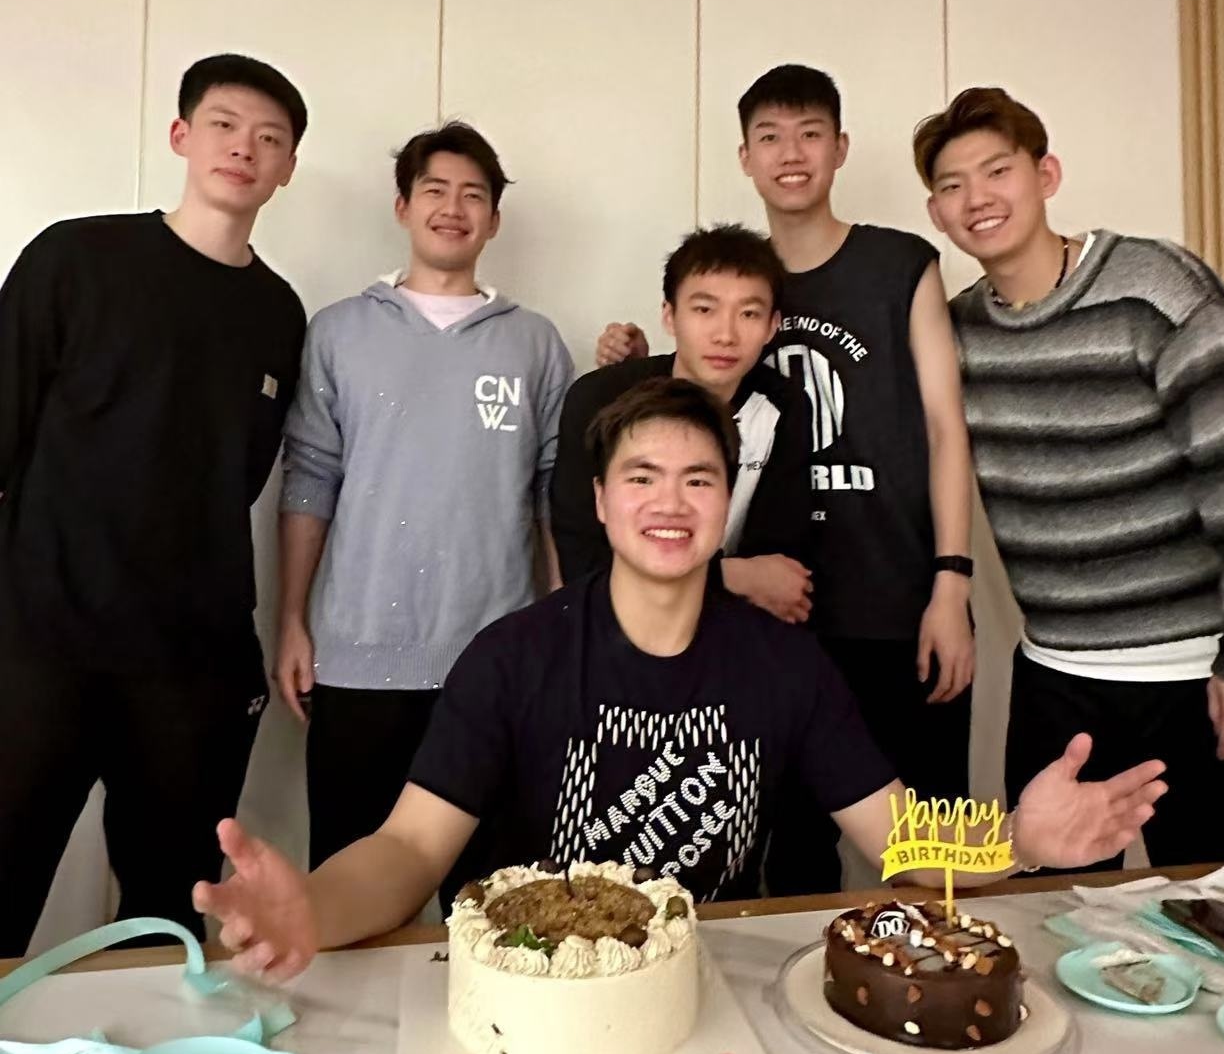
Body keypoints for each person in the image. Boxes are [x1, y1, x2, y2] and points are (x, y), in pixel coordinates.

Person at [193, 378, 1166, 982]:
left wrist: (1019, 842)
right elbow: (409, 848)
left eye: (698, 478)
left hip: (707, 979)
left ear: (724, 502)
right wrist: (311, 909)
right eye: (642, 476)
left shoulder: (783, 663)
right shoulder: (513, 657)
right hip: (529, 989)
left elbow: (898, 836)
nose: (670, 500)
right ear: (600, 502)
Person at [597, 65, 975, 893]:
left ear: (840, 148)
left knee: (931, 840)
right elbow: (683, 403)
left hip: (898, 599)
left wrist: (952, 581)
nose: (791, 154)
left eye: (810, 134)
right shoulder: (729, 276)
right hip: (770, 621)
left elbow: (946, 427)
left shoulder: (898, 264)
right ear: (744, 157)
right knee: (789, 854)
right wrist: (633, 364)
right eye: (769, 137)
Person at [914, 85, 1224, 868]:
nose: (977, 198)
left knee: (1220, 909)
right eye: (952, 185)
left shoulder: (1156, 288)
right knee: (1047, 910)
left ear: (1044, 175)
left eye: (997, 171)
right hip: (1055, 678)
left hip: (1199, 677)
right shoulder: (958, 331)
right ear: (936, 213)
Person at [0, 53, 308, 953]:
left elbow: (244, 472)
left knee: (168, 915)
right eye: (224, 125)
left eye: (268, 138)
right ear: (180, 135)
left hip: (192, 660)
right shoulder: (76, 257)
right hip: (42, 639)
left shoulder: (278, 313)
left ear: (287, 168)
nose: (243, 149)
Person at [274, 121, 574, 872]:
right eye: (434, 190)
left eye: (473, 195)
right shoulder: (339, 331)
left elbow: (553, 494)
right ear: (403, 207)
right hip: (357, 657)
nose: (452, 207)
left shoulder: (535, 344)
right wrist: (292, 619)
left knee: (493, 898)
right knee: (351, 883)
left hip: (497, 665)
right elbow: (310, 477)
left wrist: (564, 630)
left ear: (494, 220)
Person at [551, 223, 813, 622]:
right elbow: (584, 561)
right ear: (669, 316)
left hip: (728, 630)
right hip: (613, 625)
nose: (725, 335)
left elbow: (778, 572)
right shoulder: (599, 399)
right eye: (705, 309)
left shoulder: (784, 405)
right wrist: (733, 576)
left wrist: (745, 581)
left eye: (749, 313)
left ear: (772, 326)